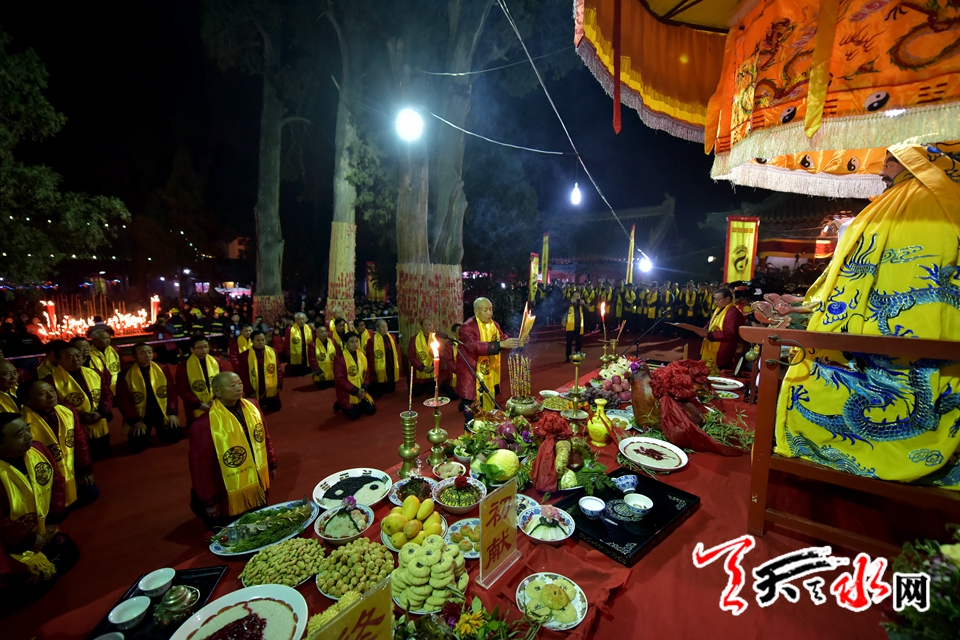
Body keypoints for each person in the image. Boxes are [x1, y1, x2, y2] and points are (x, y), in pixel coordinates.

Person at [775, 143, 960, 487]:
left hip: (890, 350)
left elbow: (860, 286)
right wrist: (804, 306)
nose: (880, 170)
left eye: (889, 160)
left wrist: (811, 311)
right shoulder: (935, 197)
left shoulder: (918, 203)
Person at [0, 412, 79, 617]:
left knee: (69, 552)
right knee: (34, 582)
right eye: (19, 434)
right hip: (13, 544)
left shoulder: (38, 449)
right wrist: (28, 539)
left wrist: (52, 522)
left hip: (42, 528)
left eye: (28, 429)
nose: (28, 436)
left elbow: (57, 482)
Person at [187, 373, 277, 529]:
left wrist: (271, 464)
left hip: (255, 479)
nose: (239, 388)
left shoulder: (252, 406)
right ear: (218, 392)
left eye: (240, 383)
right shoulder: (203, 425)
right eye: (232, 385)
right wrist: (210, 501)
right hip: (227, 491)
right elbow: (200, 469)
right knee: (235, 533)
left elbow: (264, 437)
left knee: (261, 524)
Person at [19, 380, 97, 507]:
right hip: (45, 478)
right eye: (42, 394)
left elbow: (80, 442)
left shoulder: (67, 411)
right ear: (26, 401)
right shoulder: (21, 422)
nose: (50, 396)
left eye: (51, 391)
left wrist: (84, 470)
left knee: (91, 493)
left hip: (70, 469)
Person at [44, 346, 113, 460]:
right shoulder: (50, 381)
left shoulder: (94, 373)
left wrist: (102, 411)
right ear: (58, 360)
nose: (75, 359)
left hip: (99, 420)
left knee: (104, 457)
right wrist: (81, 416)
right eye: (70, 357)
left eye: (78, 356)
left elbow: (107, 394)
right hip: (76, 424)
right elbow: (56, 404)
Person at [456, 298, 524, 413]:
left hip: (491, 372)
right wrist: (500, 344)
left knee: (491, 414)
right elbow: (474, 346)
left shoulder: (494, 325)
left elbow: (503, 340)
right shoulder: (466, 327)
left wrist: (519, 341)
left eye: (491, 310)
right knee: (472, 416)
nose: (490, 313)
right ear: (476, 311)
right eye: (485, 310)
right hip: (473, 376)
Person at [116, 343, 181, 453]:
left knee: (174, 436)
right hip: (141, 415)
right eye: (142, 353)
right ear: (134, 356)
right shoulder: (125, 374)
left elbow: (171, 391)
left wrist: (172, 413)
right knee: (137, 446)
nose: (147, 355)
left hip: (161, 412)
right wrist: (135, 420)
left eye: (149, 352)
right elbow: (122, 400)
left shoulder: (162, 369)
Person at [671, 287, 746, 372]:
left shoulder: (733, 313)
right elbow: (710, 323)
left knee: (718, 373)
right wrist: (702, 330)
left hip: (722, 351)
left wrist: (709, 335)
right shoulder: (719, 309)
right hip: (711, 345)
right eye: (715, 299)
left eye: (719, 299)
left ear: (728, 298)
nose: (716, 302)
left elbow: (731, 333)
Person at [176, 335, 231, 425]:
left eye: (206, 346)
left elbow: (223, 381)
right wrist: (198, 404)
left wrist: (216, 398)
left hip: (216, 401)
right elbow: (182, 389)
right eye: (199, 348)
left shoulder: (216, 361)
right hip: (195, 406)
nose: (204, 350)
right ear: (192, 349)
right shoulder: (184, 366)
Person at [333, 332, 375, 420]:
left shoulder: (361, 355)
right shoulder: (339, 358)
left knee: (371, 410)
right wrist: (355, 391)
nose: (355, 344)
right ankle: (340, 404)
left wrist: (364, 388)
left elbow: (367, 372)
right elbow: (340, 380)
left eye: (356, 341)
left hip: (361, 391)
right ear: (345, 343)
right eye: (352, 342)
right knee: (354, 416)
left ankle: (359, 402)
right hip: (348, 393)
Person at [239, 331, 282, 413]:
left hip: (270, 385)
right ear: (252, 341)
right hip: (255, 386)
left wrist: (279, 384)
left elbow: (278, 368)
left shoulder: (272, 351)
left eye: (263, 340)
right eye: (258, 340)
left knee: (276, 407)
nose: (261, 342)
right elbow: (243, 375)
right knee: (254, 411)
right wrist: (250, 391)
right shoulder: (244, 355)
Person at [366, 320, 399, 396]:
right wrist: (372, 371)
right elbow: (370, 357)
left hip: (391, 364)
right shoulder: (372, 340)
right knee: (380, 392)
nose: (385, 328)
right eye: (382, 327)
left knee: (391, 390)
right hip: (380, 369)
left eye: (386, 326)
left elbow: (396, 351)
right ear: (377, 329)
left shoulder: (392, 337)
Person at [407, 318, 436, 398]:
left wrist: (433, 366)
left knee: (431, 393)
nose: (428, 327)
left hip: (432, 371)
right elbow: (411, 356)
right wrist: (422, 367)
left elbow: (440, 354)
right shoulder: (415, 339)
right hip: (419, 371)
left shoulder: (435, 338)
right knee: (416, 393)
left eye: (430, 325)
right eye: (425, 325)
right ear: (421, 327)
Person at [88, 329, 120, 395]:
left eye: (108, 338)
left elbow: (122, 366)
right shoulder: (88, 352)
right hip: (98, 385)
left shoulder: (115, 350)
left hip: (116, 384)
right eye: (104, 338)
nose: (108, 340)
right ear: (94, 340)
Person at [283, 313, 313, 377]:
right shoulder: (290, 329)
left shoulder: (308, 328)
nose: (302, 321)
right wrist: (288, 354)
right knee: (295, 371)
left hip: (306, 350)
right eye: (300, 319)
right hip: (295, 351)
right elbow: (287, 342)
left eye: (303, 319)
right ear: (296, 320)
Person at [312, 326, 337, 390]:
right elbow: (312, 360)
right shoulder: (312, 344)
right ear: (317, 334)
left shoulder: (333, 341)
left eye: (325, 331)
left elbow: (338, 356)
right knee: (323, 386)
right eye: (322, 332)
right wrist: (318, 373)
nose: (324, 333)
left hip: (333, 372)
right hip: (321, 373)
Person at [564, 290, 587, 360]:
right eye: (575, 296)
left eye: (578, 296)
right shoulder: (569, 303)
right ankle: (568, 356)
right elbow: (562, 309)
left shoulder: (581, 304)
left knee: (579, 342)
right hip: (570, 326)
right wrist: (570, 303)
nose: (577, 298)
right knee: (569, 343)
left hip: (579, 326)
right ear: (572, 297)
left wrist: (584, 304)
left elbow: (588, 312)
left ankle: (577, 355)